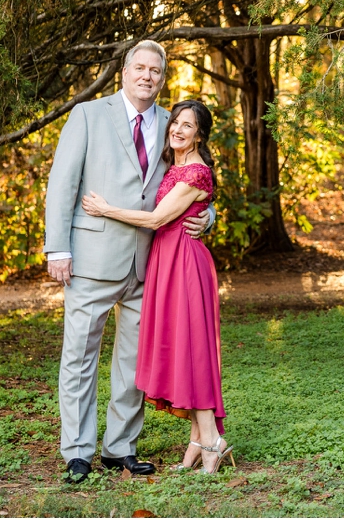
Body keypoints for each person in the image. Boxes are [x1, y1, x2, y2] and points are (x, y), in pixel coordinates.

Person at [44, 40, 212, 483]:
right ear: (124, 71)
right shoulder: (88, 114)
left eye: (155, 71)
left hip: (148, 263)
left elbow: (189, 180)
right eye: (139, 68)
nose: (147, 77)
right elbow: (62, 183)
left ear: (162, 77)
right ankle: (78, 451)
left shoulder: (170, 124)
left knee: (133, 362)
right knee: (79, 356)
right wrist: (57, 248)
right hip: (91, 259)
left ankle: (120, 448)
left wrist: (207, 215)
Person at [81, 99, 233, 474]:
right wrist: (208, 214)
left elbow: (154, 219)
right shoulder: (175, 165)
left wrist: (105, 210)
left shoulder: (195, 172)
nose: (178, 130)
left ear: (200, 134)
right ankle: (200, 440)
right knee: (184, 348)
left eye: (188, 125)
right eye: (175, 123)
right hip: (166, 260)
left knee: (192, 349)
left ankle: (212, 441)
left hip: (184, 263)